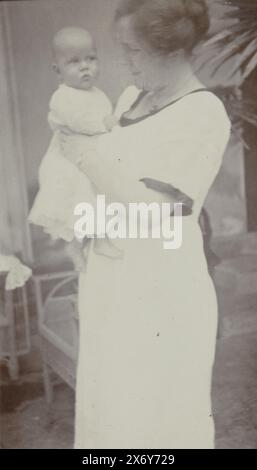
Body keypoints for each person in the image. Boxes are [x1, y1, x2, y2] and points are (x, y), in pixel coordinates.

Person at [62, 0, 231, 448]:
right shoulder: (130, 99)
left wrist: (81, 154)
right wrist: (83, 229)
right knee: (111, 414)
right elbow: (106, 190)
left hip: (161, 289)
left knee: (158, 418)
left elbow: (161, 212)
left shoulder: (203, 112)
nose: (124, 62)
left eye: (132, 50)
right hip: (112, 282)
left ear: (171, 51)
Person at [28, 27, 121, 272]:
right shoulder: (62, 97)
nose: (84, 66)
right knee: (78, 204)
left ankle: (99, 241)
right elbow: (78, 121)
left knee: (100, 200)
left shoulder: (97, 94)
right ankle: (75, 247)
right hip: (67, 164)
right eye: (74, 61)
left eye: (91, 58)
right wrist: (107, 124)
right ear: (57, 71)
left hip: (90, 155)